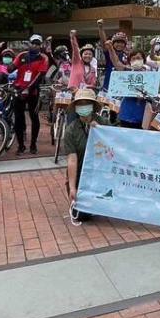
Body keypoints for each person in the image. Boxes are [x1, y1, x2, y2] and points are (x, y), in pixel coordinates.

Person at [64, 87, 108, 221]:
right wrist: (72, 187)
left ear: (93, 106)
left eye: (86, 104)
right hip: (81, 173)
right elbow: (72, 160)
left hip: (100, 171)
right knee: (82, 216)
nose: (83, 107)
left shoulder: (103, 123)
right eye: (80, 104)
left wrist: (100, 132)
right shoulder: (71, 130)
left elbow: (114, 145)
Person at [11, 34, 50, 154]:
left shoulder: (43, 58)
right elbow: (11, 68)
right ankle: (21, 145)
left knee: (34, 118)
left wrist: (28, 89)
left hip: (33, 92)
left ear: (40, 45)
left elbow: (40, 76)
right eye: (33, 43)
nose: (35, 46)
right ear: (29, 43)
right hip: (18, 90)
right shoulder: (22, 55)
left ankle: (33, 144)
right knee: (18, 118)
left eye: (37, 44)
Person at [105, 43, 151, 129]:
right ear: (129, 61)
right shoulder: (127, 71)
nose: (136, 60)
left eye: (138, 58)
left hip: (143, 114)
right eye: (133, 59)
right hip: (126, 112)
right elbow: (116, 62)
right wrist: (111, 49)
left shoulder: (151, 76)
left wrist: (146, 96)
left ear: (144, 60)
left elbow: (153, 94)